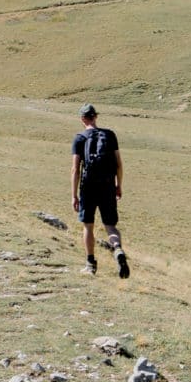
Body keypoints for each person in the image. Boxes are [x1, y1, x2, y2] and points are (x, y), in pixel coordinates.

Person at [70, 103, 127, 278]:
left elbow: (75, 169)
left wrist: (74, 195)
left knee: (88, 225)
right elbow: (119, 164)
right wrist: (118, 185)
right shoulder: (109, 135)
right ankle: (117, 249)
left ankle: (90, 263)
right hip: (107, 185)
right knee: (110, 225)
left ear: (82, 119)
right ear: (96, 117)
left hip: (88, 187)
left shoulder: (79, 138)